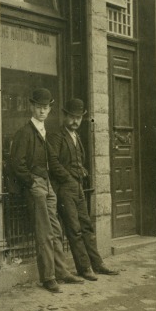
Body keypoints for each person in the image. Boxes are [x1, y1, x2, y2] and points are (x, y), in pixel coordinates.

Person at [8, 88, 83, 293]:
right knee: (44, 232)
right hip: (36, 185)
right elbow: (17, 164)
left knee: (56, 230)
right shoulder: (25, 133)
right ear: (31, 107)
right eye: (38, 107)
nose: (42, 111)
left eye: (45, 107)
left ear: (50, 110)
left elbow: (52, 159)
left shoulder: (44, 132)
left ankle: (62, 271)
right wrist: (32, 183)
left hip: (47, 184)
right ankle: (48, 277)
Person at [49, 98, 119, 280]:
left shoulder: (76, 136)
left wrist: (81, 173)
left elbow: (81, 159)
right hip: (65, 188)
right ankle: (84, 267)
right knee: (74, 229)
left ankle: (98, 264)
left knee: (87, 227)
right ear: (65, 116)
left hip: (78, 186)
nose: (75, 121)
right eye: (72, 117)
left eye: (78, 118)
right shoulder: (57, 136)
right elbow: (53, 162)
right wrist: (68, 178)